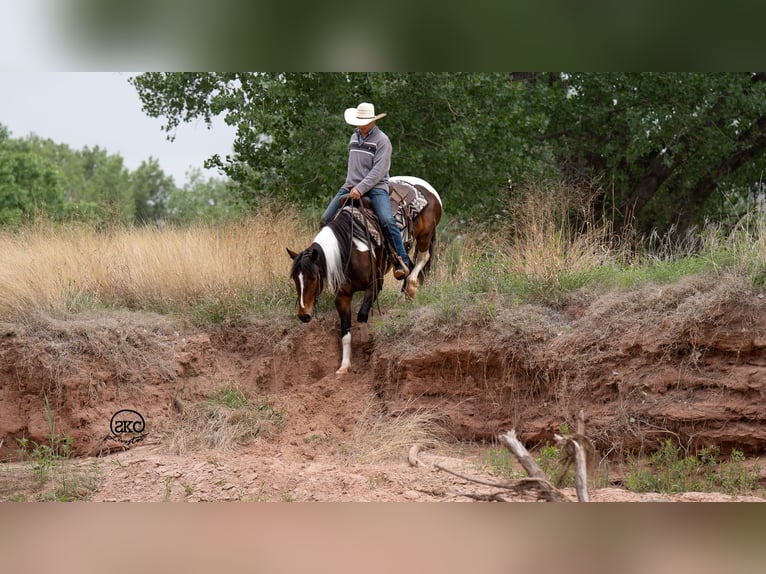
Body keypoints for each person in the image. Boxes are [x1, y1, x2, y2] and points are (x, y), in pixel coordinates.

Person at [319, 102, 413, 280]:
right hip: (350, 186)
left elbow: (378, 171)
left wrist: (361, 188)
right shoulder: (354, 137)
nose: (360, 124)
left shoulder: (382, 141)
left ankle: (401, 261)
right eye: (358, 120)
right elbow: (352, 166)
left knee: (386, 220)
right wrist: (351, 186)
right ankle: (330, 263)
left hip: (376, 188)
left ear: (372, 121)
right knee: (325, 220)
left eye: (363, 121)